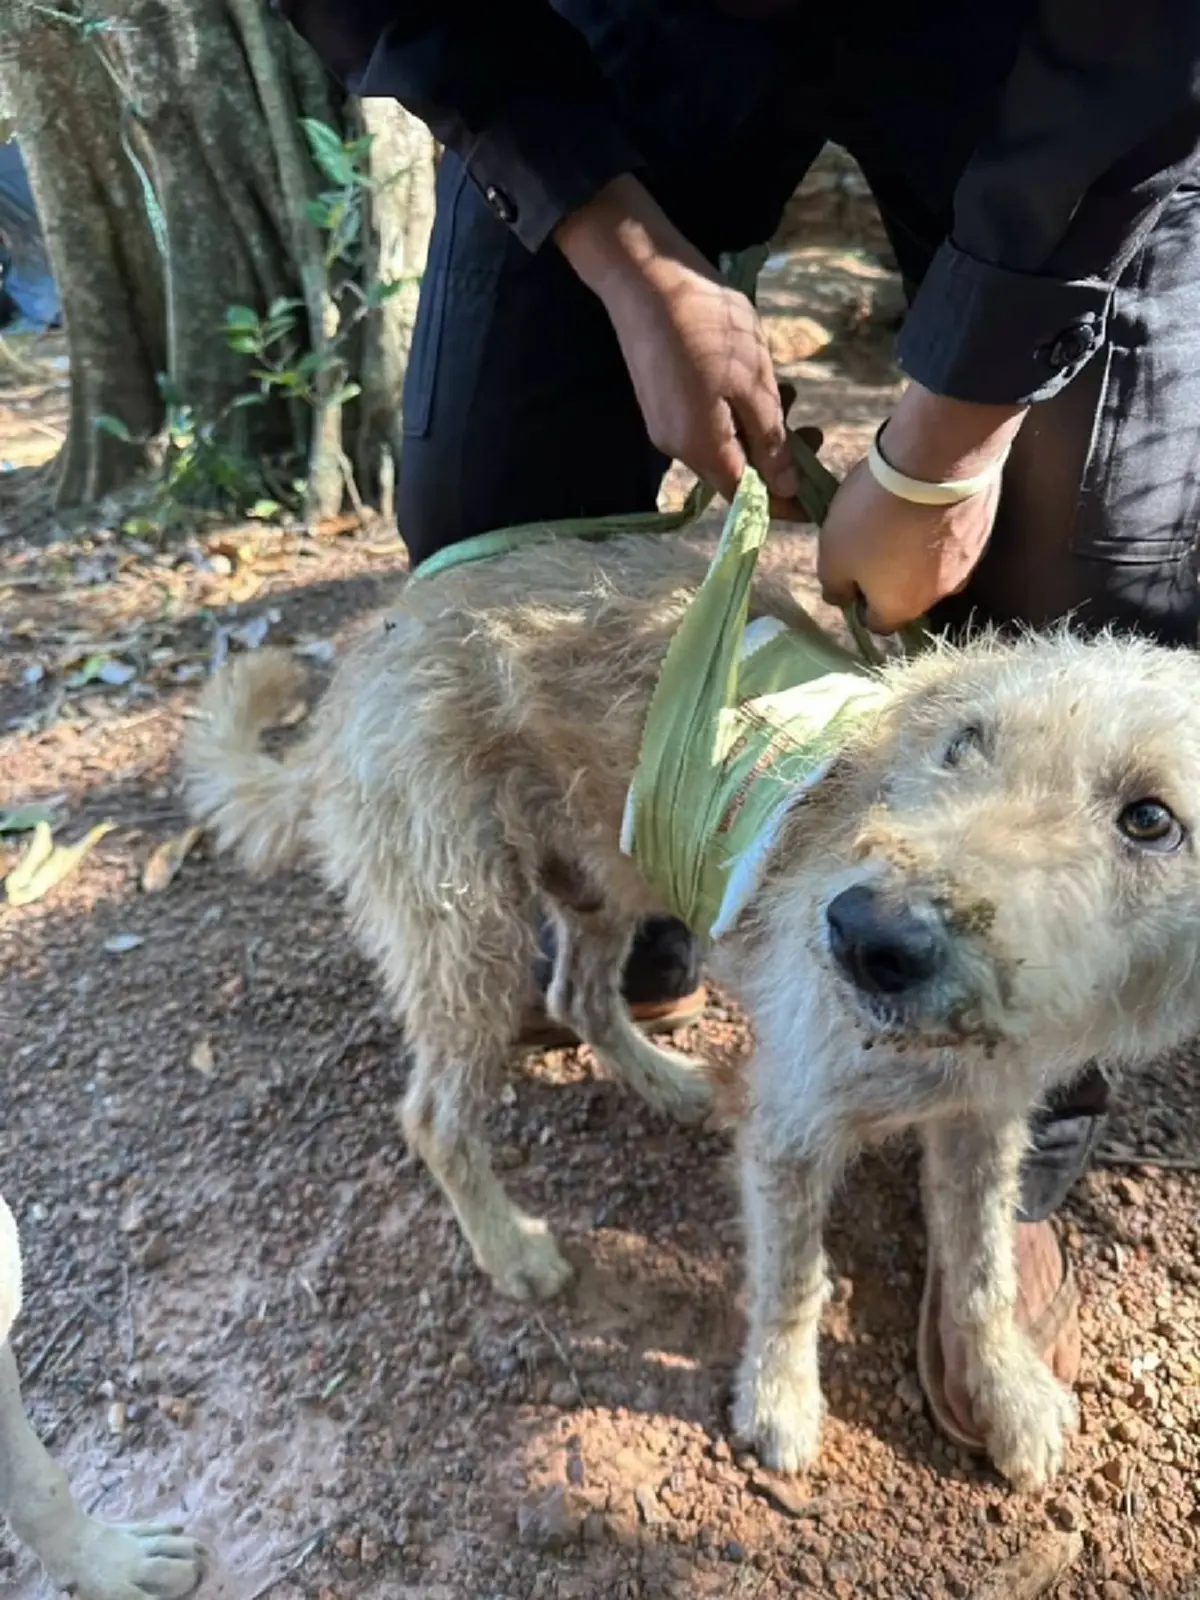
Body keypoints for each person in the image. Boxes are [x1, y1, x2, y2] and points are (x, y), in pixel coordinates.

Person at [276, 0, 1200, 1449]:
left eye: (1148, 819)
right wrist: (629, 263)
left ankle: (996, 1258)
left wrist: (949, 446)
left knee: (1106, 557)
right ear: (930, 725)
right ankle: (560, 1032)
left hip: (1042, 38)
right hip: (628, 15)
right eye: (963, 744)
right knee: (474, 492)